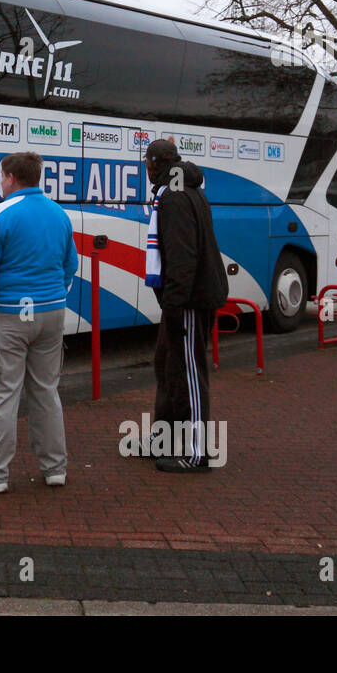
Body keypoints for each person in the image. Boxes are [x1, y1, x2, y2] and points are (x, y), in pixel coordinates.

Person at [0, 151, 79, 493]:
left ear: (9, 178)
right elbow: (71, 265)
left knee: (2, 396)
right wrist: (54, 296)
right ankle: (55, 468)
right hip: (52, 313)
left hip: (8, 315)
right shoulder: (59, 213)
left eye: (0, 176)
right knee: (46, 392)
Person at [142, 139, 229, 472]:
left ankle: (195, 452)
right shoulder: (179, 188)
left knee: (189, 372)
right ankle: (163, 439)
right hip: (183, 297)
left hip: (189, 299)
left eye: (146, 163)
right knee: (167, 366)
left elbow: (182, 256)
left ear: (154, 164)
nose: (145, 169)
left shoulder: (174, 196)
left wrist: (175, 305)